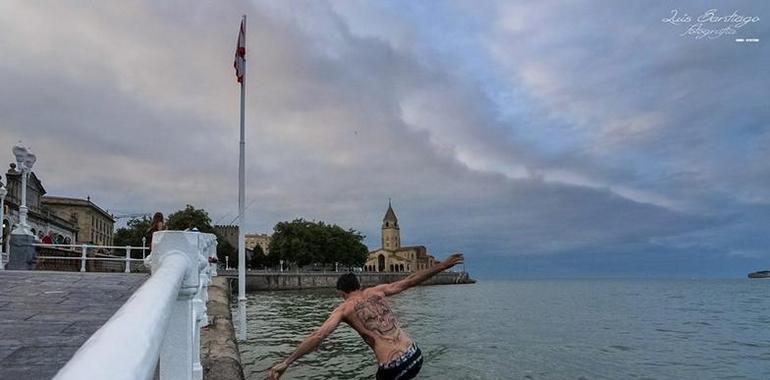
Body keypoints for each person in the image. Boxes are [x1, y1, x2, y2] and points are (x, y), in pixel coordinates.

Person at [268, 253, 464, 380]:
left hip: (395, 367)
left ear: (341, 293)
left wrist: (287, 361)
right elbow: (409, 281)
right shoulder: (377, 292)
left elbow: (318, 336)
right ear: (358, 285)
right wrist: (442, 266)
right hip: (415, 354)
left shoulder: (344, 309)